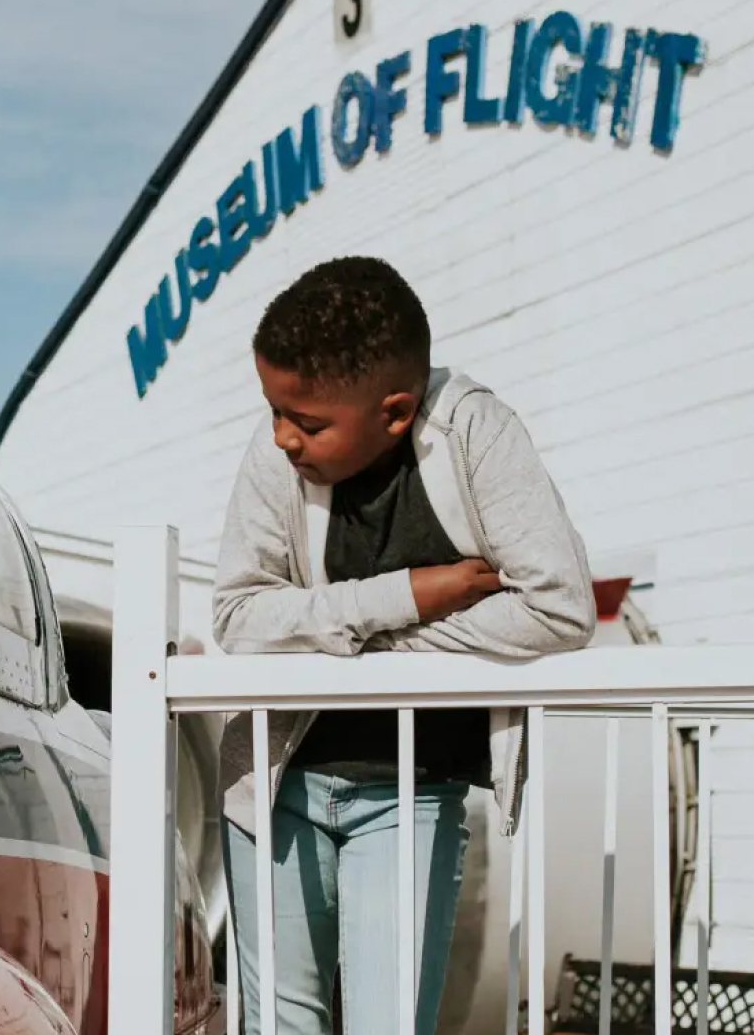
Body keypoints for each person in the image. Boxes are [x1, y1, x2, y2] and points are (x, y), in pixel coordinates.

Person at [210, 256, 596, 1035]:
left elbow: (559, 608)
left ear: (394, 411)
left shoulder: (473, 432)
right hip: (272, 786)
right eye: (274, 410)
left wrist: (358, 640)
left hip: (411, 791)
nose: (282, 437)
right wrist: (412, 593)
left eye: (308, 423)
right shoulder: (275, 446)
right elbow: (239, 618)